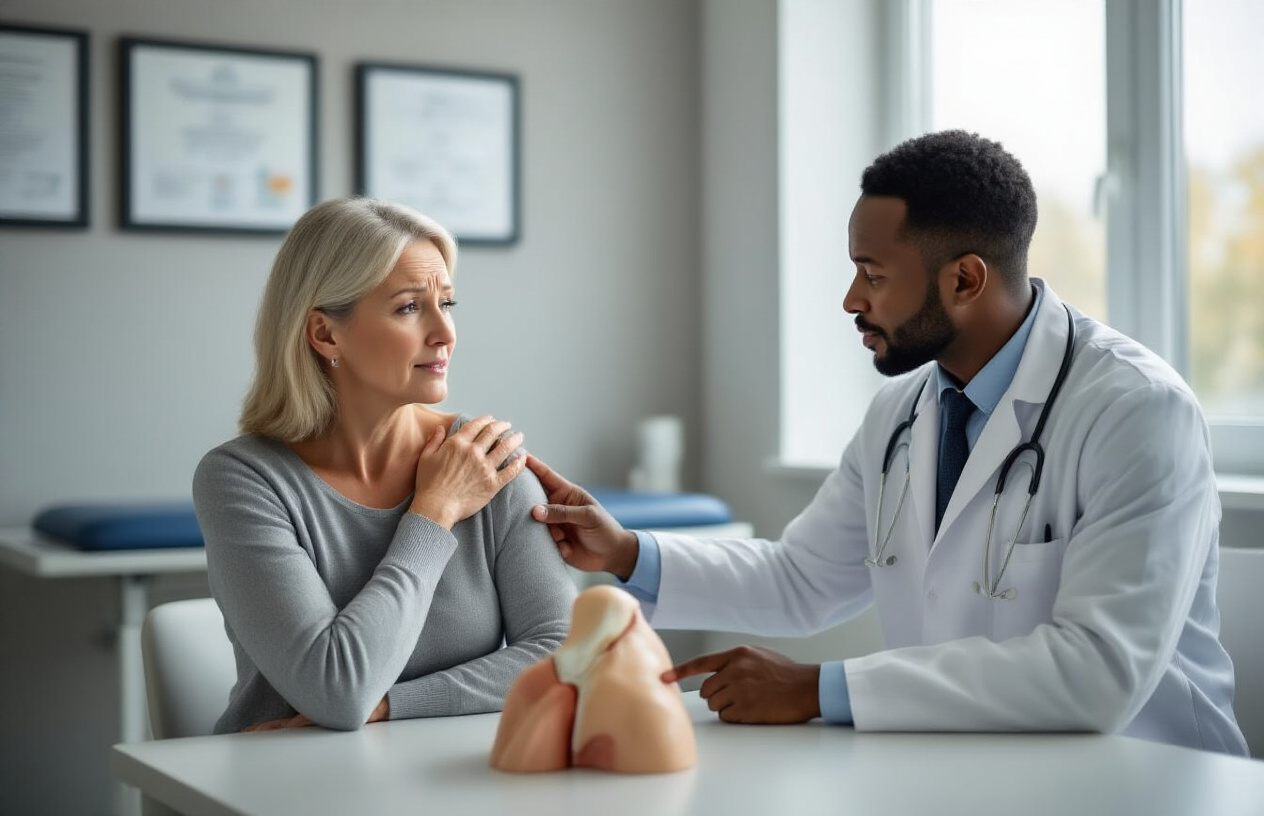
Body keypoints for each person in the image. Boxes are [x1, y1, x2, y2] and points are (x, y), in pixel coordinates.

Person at [526, 130, 1248, 755]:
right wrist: (624, 552)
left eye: (873, 275)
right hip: (966, 767)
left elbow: (1098, 673)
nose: (851, 299)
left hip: (1145, 776)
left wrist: (819, 688)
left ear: (965, 279)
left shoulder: (1136, 412)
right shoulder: (901, 413)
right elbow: (802, 579)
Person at [193, 197, 576, 734]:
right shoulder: (243, 481)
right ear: (326, 334)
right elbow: (338, 691)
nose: (445, 333)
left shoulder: (487, 459)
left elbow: (568, 655)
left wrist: (393, 704)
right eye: (409, 308)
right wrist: (433, 513)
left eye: (448, 303)